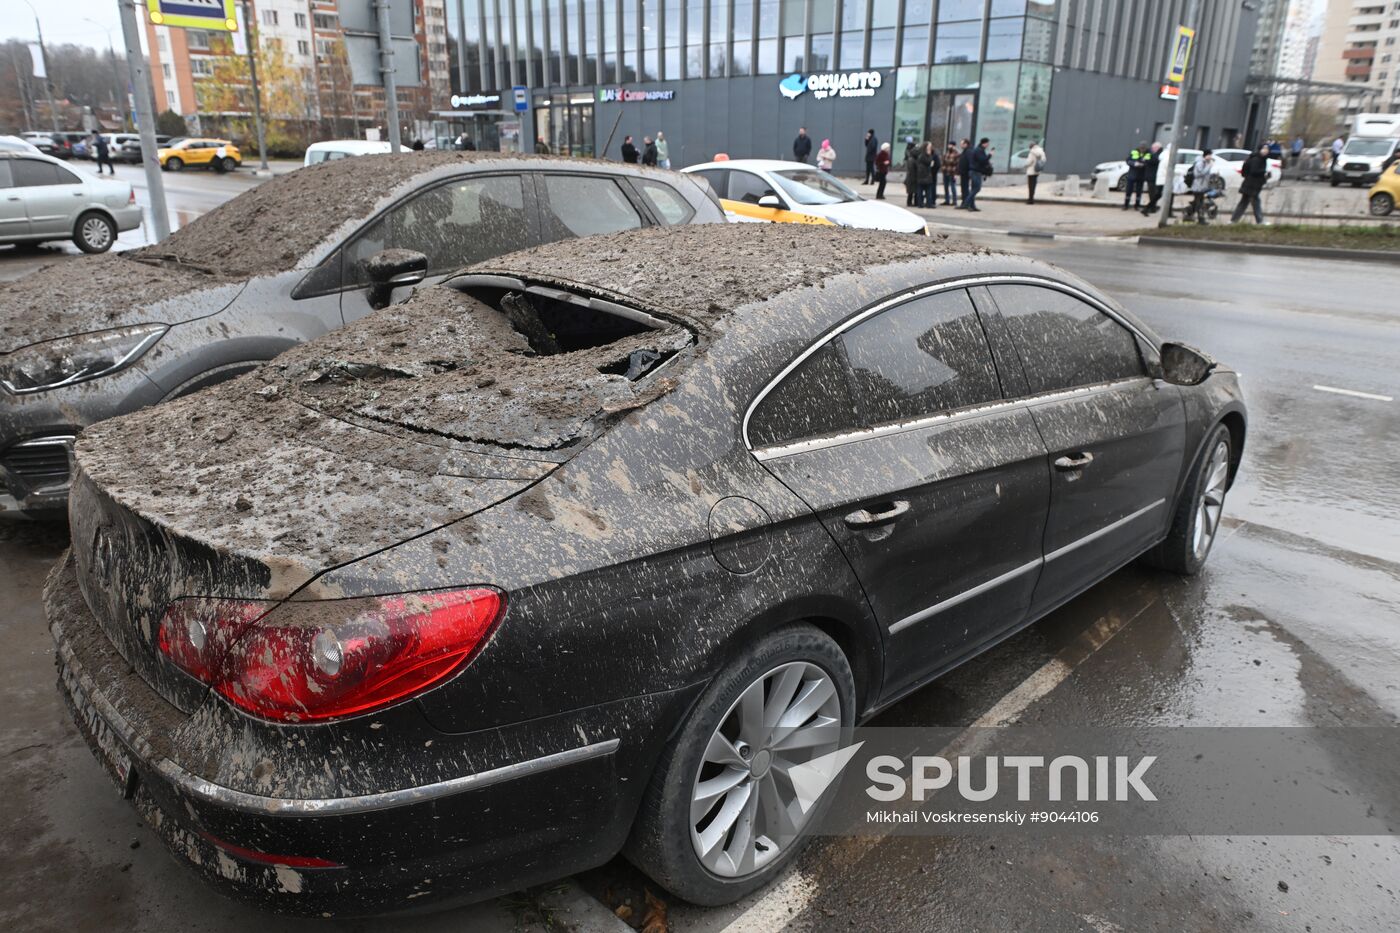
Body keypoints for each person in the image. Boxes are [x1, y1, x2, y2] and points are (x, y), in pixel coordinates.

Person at [1231, 144, 1270, 225]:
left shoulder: (1260, 158)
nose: (1266, 150)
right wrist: (1264, 172)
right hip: (1252, 185)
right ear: (1260, 149)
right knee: (1255, 202)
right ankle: (1260, 221)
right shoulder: (1257, 159)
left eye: (1267, 149)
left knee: (1244, 203)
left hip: (1251, 184)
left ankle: (1233, 220)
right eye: (1264, 148)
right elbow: (1254, 171)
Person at [1189, 148, 1217, 225]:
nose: (1211, 157)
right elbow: (1198, 174)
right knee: (1199, 203)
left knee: (1197, 203)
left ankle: (1189, 215)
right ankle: (1200, 219)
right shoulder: (1200, 163)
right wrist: (1209, 167)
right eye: (1210, 155)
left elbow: (1206, 174)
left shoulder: (1206, 163)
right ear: (1206, 155)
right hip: (1197, 187)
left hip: (1202, 186)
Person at [963, 138, 992, 211]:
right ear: (984, 143)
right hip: (975, 172)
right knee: (977, 188)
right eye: (987, 144)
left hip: (975, 171)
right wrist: (990, 155)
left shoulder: (979, 150)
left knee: (974, 188)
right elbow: (983, 160)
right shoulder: (979, 150)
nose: (988, 145)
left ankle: (972, 206)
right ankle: (966, 203)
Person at [1123, 141, 1148, 210]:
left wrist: (1143, 165)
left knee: (1139, 192)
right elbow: (1128, 160)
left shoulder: (1147, 153)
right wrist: (1134, 164)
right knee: (1128, 191)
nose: (1142, 149)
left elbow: (1149, 162)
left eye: (1144, 147)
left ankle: (1137, 206)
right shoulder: (1134, 152)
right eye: (1141, 147)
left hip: (1141, 175)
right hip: (1132, 174)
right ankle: (1126, 205)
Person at [1141, 141, 1164, 215]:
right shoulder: (1153, 154)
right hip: (1152, 176)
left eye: (1153, 147)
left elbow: (1153, 161)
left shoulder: (1156, 155)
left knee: (1154, 193)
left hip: (1153, 176)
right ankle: (1151, 207)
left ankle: (1151, 207)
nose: (1152, 148)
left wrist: (1146, 159)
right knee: (1153, 193)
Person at [917, 141, 938, 209]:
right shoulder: (924, 155)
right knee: (927, 190)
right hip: (924, 174)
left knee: (923, 189)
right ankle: (927, 203)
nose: (930, 147)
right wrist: (930, 156)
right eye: (929, 146)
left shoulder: (921, 155)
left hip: (923, 174)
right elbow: (929, 162)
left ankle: (922, 203)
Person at [1025, 140, 1046, 204]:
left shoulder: (1032, 152)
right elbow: (1044, 160)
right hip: (1037, 170)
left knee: (1030, 186)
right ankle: (1032, 198)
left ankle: (1030, 199)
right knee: (1034, 185)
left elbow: (1029, 162)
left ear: (1031, 146)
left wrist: (1025, 164)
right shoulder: (1041, 151)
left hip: (1031, 171)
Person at [955, 138, 973, 208]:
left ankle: (965, 203)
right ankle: (965, 202)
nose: (961, 145)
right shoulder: (965, 151)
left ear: (966, 144)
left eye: (962, 144)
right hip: (963, 173)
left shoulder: (968, 151)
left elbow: (969, 162)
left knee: (965, 189)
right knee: (964, 188)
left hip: (966, 173)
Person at [903, 138, 919, 206]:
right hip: (912, 177)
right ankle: (910, 202)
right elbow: (912, 170)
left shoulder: (910, 158)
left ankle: (912, 202)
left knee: (912, 191)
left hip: (910, 177)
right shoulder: (912, 159)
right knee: (912, 191)